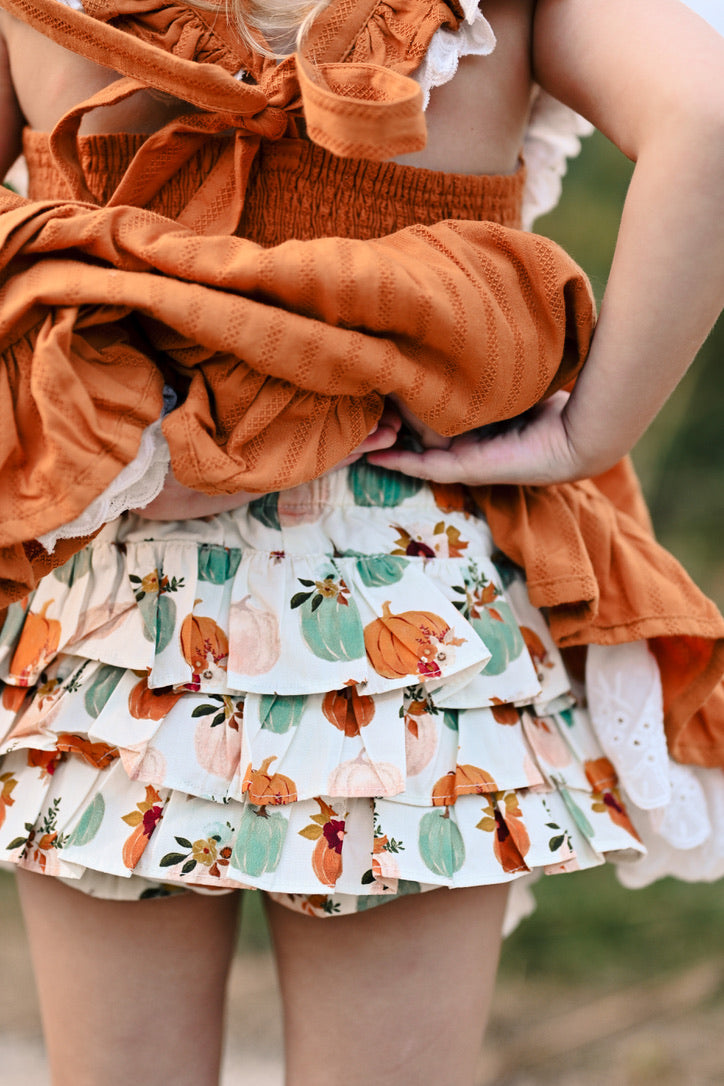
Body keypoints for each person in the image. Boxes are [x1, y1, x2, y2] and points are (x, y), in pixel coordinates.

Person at [0, 1, 722, 1084]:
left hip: (116, 598)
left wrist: (134, 446)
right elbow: (708, 119)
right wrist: (588, 429)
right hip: (405, 611)